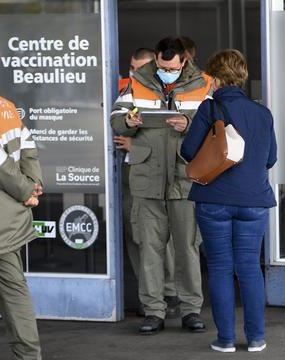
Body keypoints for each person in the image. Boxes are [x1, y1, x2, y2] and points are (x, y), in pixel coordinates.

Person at [110, 36, 211, 335]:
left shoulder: (203, 84)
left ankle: (191, 310)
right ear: (156, 58)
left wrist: (189, 123)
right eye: (163, 66)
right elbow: (116, 118)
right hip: (148, 179)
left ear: (184, 61)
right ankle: (154, 311)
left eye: (173, 67)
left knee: (187, 248)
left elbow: (217, 123)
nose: (168, 71)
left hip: (184, 179)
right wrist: (130, 121)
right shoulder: (136, 81)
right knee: (150, 249)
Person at [180, 49, 277, 353]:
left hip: (215, 200)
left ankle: (225, 340)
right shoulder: (262, 113)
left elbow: (188, 151)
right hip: (254, 201)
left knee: (221, 267)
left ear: (217, 78)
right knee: (249, 267)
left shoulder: (210, 109)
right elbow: (271, 158)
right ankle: (257, 338)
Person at [0, 72, 43, 359]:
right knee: (15, 296)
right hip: (4, 222)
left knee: (15, 295)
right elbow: (28, 148)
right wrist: (32, 186)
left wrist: (25, 189)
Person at [115, 47, 180, 317]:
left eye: (139, 68)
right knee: (135, 237)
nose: (133, 73)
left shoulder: (166, 94)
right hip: (130, 176)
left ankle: (170, 292)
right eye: (131, 68)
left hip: (157, 177)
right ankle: (149, 295)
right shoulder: (126, 92)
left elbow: (169, 137)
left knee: (162, 239)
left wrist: (135, 146)